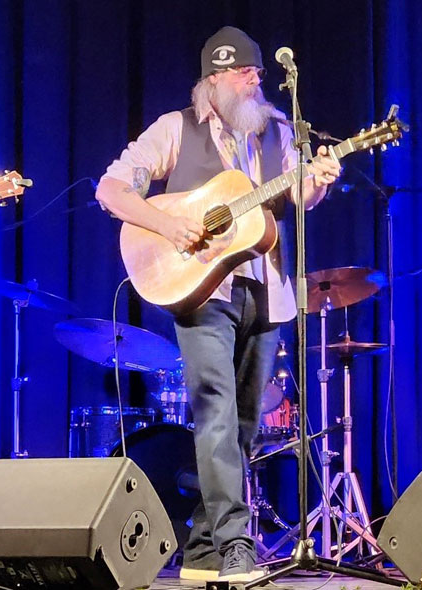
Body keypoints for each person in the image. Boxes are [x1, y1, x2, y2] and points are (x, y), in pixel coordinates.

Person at [96, 26, 340, 582]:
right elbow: (112, 189)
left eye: (256, 72)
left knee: (246, 425)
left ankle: (204, 552)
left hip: (267, 289)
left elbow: (300, 195)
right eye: (242, 73)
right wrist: (168, 225)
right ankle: (236, 544)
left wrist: (320, 180)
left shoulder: (279, 132)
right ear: (213, 80)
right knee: (215, 416)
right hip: (203, 292)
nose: (254, 81)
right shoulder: (175, 129)